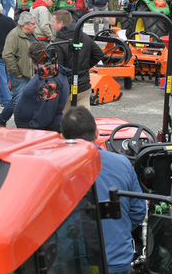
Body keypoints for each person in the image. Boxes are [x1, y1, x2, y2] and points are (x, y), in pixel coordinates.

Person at [60, 106, 147, 273]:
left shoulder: (56, 170)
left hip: (74, 262)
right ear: (97, 133)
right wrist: (117, 231)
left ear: (62, 137)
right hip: (117, 259)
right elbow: (138, 210)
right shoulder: (122, 163)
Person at [52, 10, 104, 112]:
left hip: (67, 89)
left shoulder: (58, 43)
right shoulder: (84, 37)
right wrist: (84, 67)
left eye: (53, 21)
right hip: (84, 87)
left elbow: (59, 70)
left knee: (64, 122)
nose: (51, 24)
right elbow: (99, 54)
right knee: (83, 122)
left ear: (61, 24)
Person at [14, 42, 70, 131]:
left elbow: (46, 108)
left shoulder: (49, 78)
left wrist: (33, 127)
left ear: (34, 60)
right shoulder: (49, 73)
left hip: (39, 130)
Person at [0, 11, 39, 126]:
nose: (35, 25)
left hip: (29, 73)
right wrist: (16, 73)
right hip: (20, 75)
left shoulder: (30, 34)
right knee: (17, 100)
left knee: (26, 99)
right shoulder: (14, 35)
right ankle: (2, 120)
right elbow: (7, 55)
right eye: (33, 23)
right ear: (25, 24)